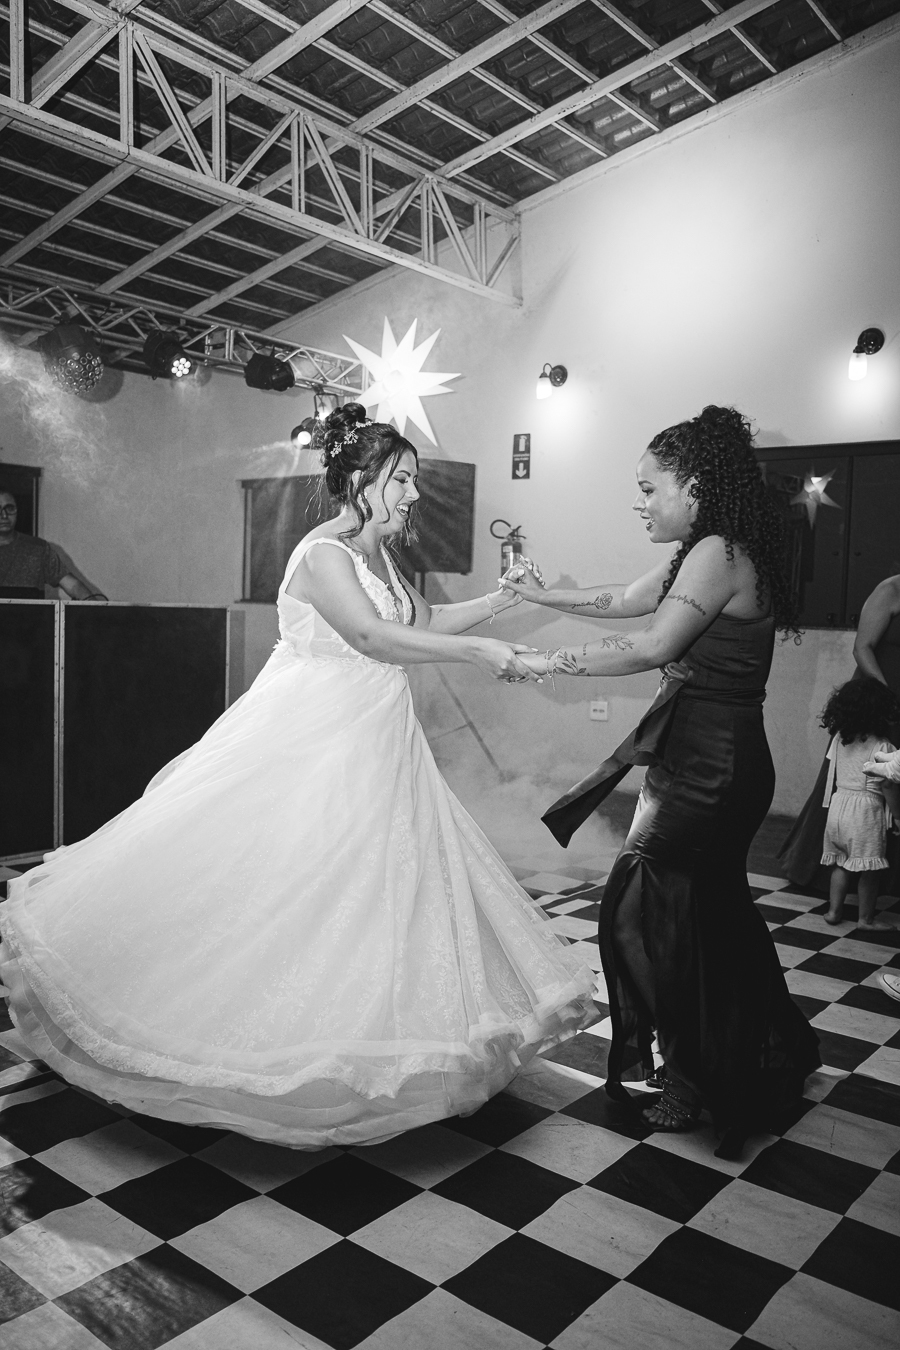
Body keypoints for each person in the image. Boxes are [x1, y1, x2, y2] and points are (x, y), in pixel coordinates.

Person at [0, 406, 596, 1149]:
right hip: (316, 744)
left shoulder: (382, 555)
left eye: (413, 480)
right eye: (401, 479)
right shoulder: (323, 553)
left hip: (380, 743)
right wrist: (481, 655)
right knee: (293, 883)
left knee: (382, 886)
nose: (413, 494)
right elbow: (372, 636)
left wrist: (506, 600)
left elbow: (422, 622)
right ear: (358, 481)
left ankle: (378, 1040)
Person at [502, 404, 820, 1159]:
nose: (639, 503)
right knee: (704, 917)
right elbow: (625, 599)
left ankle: (693, 1076)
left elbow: (650, 644)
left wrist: (539, 662)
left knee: (649, 913)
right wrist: (542, 596)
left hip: (711, 767)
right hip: (701, 758)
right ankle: (749, 1054)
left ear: (696, 485)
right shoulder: (707, 550)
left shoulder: (717, 550)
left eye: (649, 488)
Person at [778, 573, 900, 889]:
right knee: (857, 779)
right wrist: (887, 697)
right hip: (876, 701)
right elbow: (862, 648)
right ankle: (822, 869)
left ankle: (886, 875)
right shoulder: (890, 590)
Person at [817, 678, 900, 927]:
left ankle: (834, 912)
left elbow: (833, 771)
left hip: (838, 806)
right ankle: (865, 919)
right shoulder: (882, 746)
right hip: (865, 813)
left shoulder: (839, 739)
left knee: (841, 863)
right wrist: (897, 815)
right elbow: (887, 785)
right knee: (870, 870)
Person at [0, 484, 107, 600]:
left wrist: (94, 607)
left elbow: (73, 586)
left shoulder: (38, 548)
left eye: (9, 508)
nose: (4, 515)